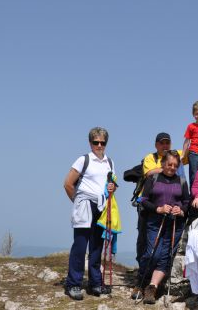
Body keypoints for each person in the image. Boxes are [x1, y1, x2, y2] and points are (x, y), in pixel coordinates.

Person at [63, 127, 117, 301]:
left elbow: (111, 183)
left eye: (103, 142)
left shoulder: (110, 162)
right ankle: (73, 283)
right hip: (85, 204)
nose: (99, 145)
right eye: (96, 142)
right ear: (90, 143)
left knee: (97, 246)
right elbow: (68, 184)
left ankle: (95, 283)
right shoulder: (83, 160)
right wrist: (77, 202)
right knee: (80, 245)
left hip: (101, 206)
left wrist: (112, 188)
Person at [132, 132, 185, 299]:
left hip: (174, 222)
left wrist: (181, 209)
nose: (172, 168)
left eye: (175, 165)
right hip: (154, 220)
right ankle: (141, 281)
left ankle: (152, 287)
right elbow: (143, 200)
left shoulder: (181, 181)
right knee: (151, 253)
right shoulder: (153, 178)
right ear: (163, 163)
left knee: (166, 255)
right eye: (169, 164)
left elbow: (187, 201)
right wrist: (158, 209)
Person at [183, 100, 198, 188]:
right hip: (193, 153)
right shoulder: (191, 126)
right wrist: (183, 154)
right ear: (193, 115)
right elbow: (187, 141)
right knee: (194, 174)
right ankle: (193, 194)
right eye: (197, 114)